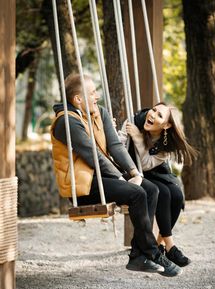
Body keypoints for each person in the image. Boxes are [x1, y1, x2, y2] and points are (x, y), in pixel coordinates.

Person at [50, 73, 182, 277]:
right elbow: (93, 155)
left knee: (151, 189)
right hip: (84, 185)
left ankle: (139, 255)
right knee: (137, 193)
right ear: (78, 99)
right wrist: (123, 180)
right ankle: (152, 253)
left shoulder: (98, 112)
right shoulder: (66, 122)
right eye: (93, 93)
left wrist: (134, 172)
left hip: (103, 177)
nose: (97, 97)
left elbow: (114, 146)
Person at [118, 102, 198, 267]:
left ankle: (161, 244)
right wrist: (131, 136)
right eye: (153, 109)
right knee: (164, 193)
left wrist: (138, 138)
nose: (152, 114)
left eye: (159, 115)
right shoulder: (135, 121)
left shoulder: (167, 143)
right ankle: (170, 247)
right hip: (135, 170)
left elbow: (148, 163)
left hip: (155, 170)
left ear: (167, 125)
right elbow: (121, 147)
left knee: (176, 195)